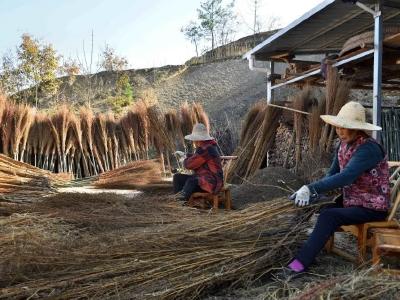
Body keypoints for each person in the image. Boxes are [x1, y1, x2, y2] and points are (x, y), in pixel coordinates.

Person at [287, 101, 390, 275]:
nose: (340, 131)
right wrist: (312, 194)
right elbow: (332, 173)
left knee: (329, 216)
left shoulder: (369, 148)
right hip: (352, 201)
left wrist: (312, 188)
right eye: (338, 127)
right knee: (314, 206)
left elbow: (346, 176)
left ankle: (299, 265)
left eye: (345, 128)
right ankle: (288, 247)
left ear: (357, 129)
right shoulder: (342, 146)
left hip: (372, 207)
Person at [172, 123, 223, 203]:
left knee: (192, 181)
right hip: (205, 179)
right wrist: (185, 155)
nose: (194, 141)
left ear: (198, 139)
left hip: (212, 183)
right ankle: (179, 201)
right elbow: (196, 157)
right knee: (177, 177)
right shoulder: (207, 146)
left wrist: (184, 159)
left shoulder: (206, 149)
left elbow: (189, 165)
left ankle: (181, 203)